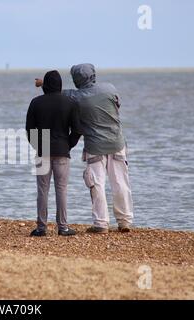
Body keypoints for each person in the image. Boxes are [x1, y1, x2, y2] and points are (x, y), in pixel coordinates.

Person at [37, 64, 133, 233]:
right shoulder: (110, 88)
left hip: (95, 146)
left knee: (97, 184)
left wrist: (42, 82)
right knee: (120, 183)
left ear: (76, 79)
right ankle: (125, 221)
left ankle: (101, 223)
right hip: (118, 143)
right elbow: (118, 105)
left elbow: (56, 92)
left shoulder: (76, 97)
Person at [26, 70, 81, 237]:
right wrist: (68, 145)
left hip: (43, 150)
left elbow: (30, 129)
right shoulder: (70, 102)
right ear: (60, 85)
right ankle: (63, 227)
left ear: (45, 85)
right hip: (62, 150)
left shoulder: (36, 102)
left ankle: (41, 227)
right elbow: (78, 129)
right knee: (61, 189)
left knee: (42, 189)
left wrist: (38, 145)